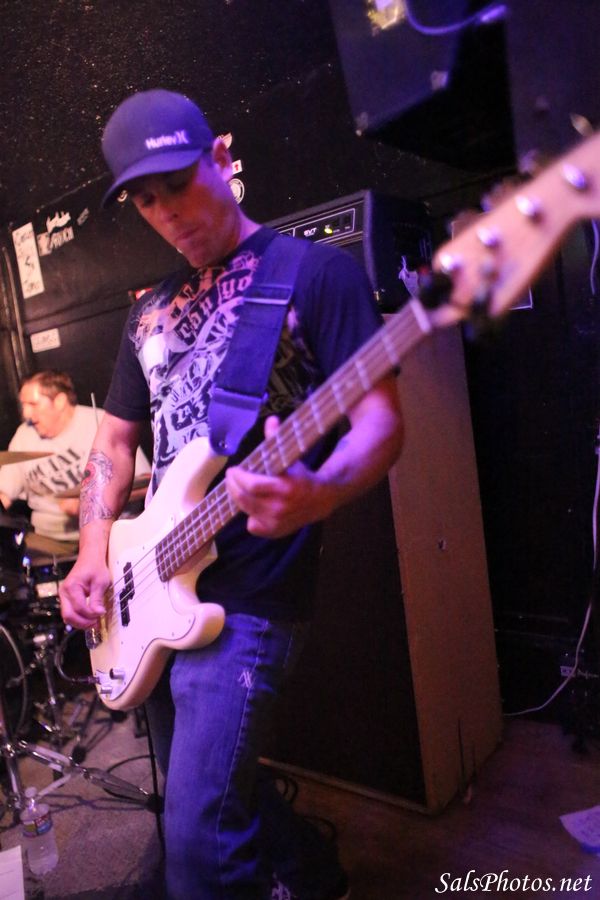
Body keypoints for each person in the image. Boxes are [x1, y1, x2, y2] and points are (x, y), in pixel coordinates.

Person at [59, 89, 403, 900]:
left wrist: (318, 492)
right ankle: (307, 871)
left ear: (221, 156)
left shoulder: (313, 274)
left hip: (250, 590)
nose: (166, 214)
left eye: (177, 184)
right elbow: (114, 442)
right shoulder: (145, 314)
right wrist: (92, 552)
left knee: (197, 846)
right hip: (151, 584)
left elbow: (382, 422)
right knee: (200, 791)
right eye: (146, 201)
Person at [0, 369, 150, 556]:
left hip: (109, 536)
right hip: (52, 541)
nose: (26, 413)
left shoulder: (100, 423)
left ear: (60, 401)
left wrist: (93, 502)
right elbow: (4, 492)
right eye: (23, 405)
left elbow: (144, 483)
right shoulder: (24, 435)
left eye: (33, 404)